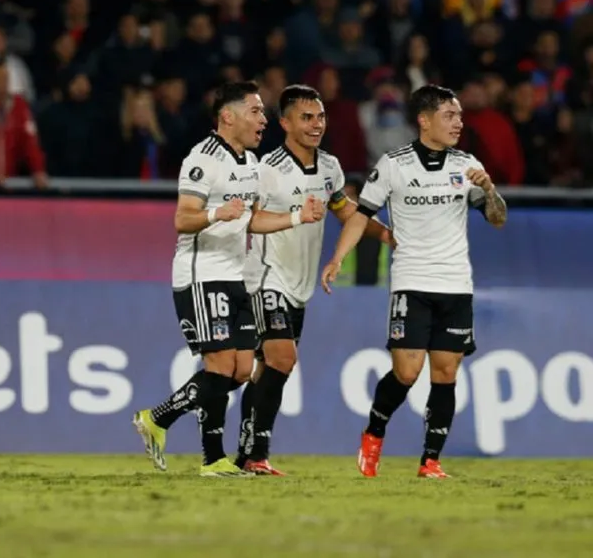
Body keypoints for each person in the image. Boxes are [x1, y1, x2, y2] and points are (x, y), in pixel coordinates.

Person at [132, 81, 324, 477]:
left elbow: (252, 218)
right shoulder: (202, 159)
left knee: (240, 370)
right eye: (255, 111)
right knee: (220, 365)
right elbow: (182, 219)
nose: (263, 119)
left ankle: (162, 422)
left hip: (238, 276)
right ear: (227, 116)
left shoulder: (252, 165)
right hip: (202, 274)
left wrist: (295, 218)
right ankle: (208, 456)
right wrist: (215, 214)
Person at [321, 84, 508, 479]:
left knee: (445, 373)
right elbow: (361, 214)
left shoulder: (467, 164)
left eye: (459, 116)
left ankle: (431, 461)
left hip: (456, 283)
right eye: (449, 115)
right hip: (412, 281)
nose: (458, 122)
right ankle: (373, 435)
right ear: (424, 121)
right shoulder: (394, 164)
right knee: (406, 372)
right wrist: (338, 257)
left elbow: (497, 219)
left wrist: (489, 189)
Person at [237, 85, 394, 475]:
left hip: (300, 284)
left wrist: (386, 234)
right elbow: (249, 219)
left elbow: (345, 210)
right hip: (266, 277)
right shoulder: (266, 169)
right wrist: (291, 218)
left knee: (265, 369)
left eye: (320, 117)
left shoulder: (329, 168)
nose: (316, 124)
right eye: (306, 117)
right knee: (283, 359)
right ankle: (259, 455)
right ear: (285, 122)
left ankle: (245, 453)